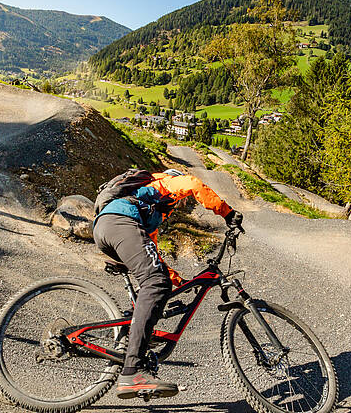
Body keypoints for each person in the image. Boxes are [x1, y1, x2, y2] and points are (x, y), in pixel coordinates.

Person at [92, 168, 243, 399]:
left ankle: (133, 334)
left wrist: (177, 280)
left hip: (109, 228)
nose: (178, 203)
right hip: (118, 222)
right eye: (178, 199)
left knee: (158, 281)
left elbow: (151, 251)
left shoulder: (148, 209)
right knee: (155, 283)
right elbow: (193, 184)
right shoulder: (162, 183)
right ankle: (132, 372)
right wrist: (227, 213)